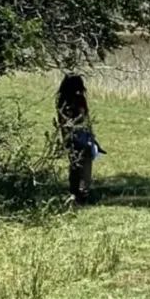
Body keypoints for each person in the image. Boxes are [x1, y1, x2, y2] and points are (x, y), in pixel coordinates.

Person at [56, 74, 102, 204]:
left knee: (74, 164)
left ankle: (73, 192)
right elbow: (85, 118)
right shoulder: (79, 100)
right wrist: (91, 136)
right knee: (85, 165)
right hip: (81, 137)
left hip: (68, 137)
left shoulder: (61, 101)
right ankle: (82, 193)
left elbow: (62, 122)